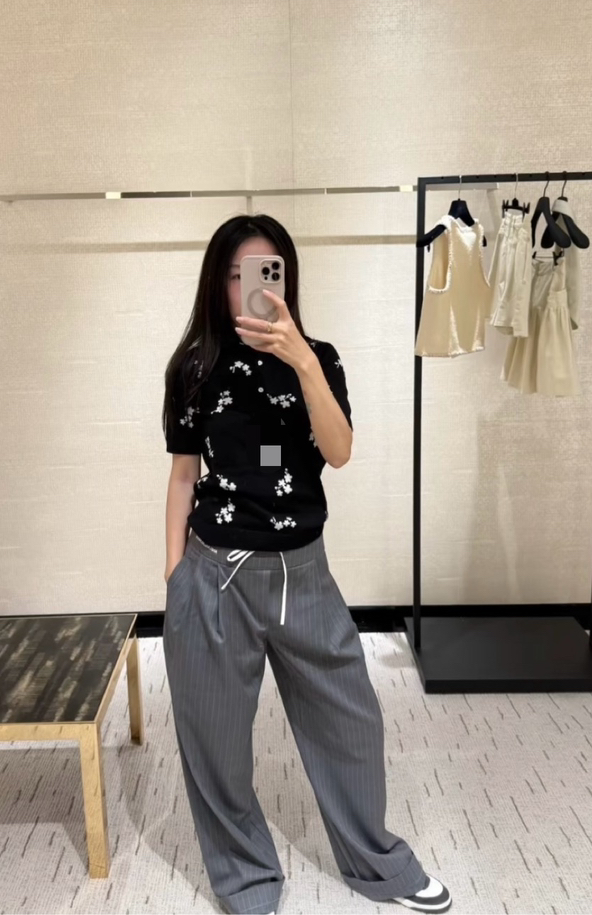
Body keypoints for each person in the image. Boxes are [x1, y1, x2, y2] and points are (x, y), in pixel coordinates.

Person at [162, 214, 451, 915]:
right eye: (239, 274)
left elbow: (339, 450)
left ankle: (375, 861)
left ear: (286, 280)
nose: (254, 287)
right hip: (214, 573)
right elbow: (182, 476)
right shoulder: (193, 367)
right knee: (215, 742)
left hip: (304, 574)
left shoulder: (319, 357)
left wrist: (302, 362)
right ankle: (245, 879)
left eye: (268, 273)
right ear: (218, 281)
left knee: (351, 721)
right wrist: (174, 579)